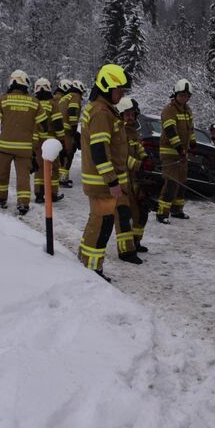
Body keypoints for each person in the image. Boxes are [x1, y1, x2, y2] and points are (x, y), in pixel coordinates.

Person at [79, 64, 140, 282]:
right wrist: (112, 181)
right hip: (102, 182)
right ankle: (92, 269)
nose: (121, 94)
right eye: (119, 90)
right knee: (102, 224)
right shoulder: (101, 113)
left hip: (102, 181)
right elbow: (99, 150)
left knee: (97, 221)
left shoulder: (102, 109)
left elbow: (114, 150)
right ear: (106, 87)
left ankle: (84, 261)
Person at [0, 70, 49, 215]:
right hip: (24, 149)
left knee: (2, 174)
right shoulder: (34, 102)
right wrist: (42, 141)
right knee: (23, 177)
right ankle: (23, 203)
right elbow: (43, 125)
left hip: (5, 147)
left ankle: (1, 198)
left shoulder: (3, 99)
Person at [116, 97, 153, 253]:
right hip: (123, 180)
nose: (130, 117)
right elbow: (121, 157)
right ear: (121, 114)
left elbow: (139, 148)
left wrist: (145, 158)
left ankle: (136, 242)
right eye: (127, 114)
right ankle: (126, 248)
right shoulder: (118, 132)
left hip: (135, 180)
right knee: (127, 214)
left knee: (141, 212)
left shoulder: (133, 132)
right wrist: (139, 165)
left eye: (133, 114)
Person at [156, 79, 196, 224]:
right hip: (170, 153)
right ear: (175, 95)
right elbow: (170, 130)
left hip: (182, 154)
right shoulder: (169, 110)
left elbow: (190, 129)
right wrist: (179, 147)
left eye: (186, 96)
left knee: (182, 183)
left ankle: (177, 210)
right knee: (171, 183)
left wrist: (193, 143)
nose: (183, 98)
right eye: (181, 95)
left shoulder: (188, 110)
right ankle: (162, 212)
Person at [32, 77, 65, 204]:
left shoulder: (33, 103)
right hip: (51, 141)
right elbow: (58, 123)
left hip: (37, 140)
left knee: (39, 167)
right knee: (54, 168)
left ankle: (39, 194)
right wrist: (62, 140)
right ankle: (52, 194)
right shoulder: (52, 104)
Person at [57, 79, 85, 188]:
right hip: (67, 130)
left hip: (59, 129)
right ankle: (63, 178)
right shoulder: (75, 96)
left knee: (62, 153)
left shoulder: (65, 97)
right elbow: (72, 111)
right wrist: (73, 129)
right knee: (68, 153)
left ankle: (59, 176)